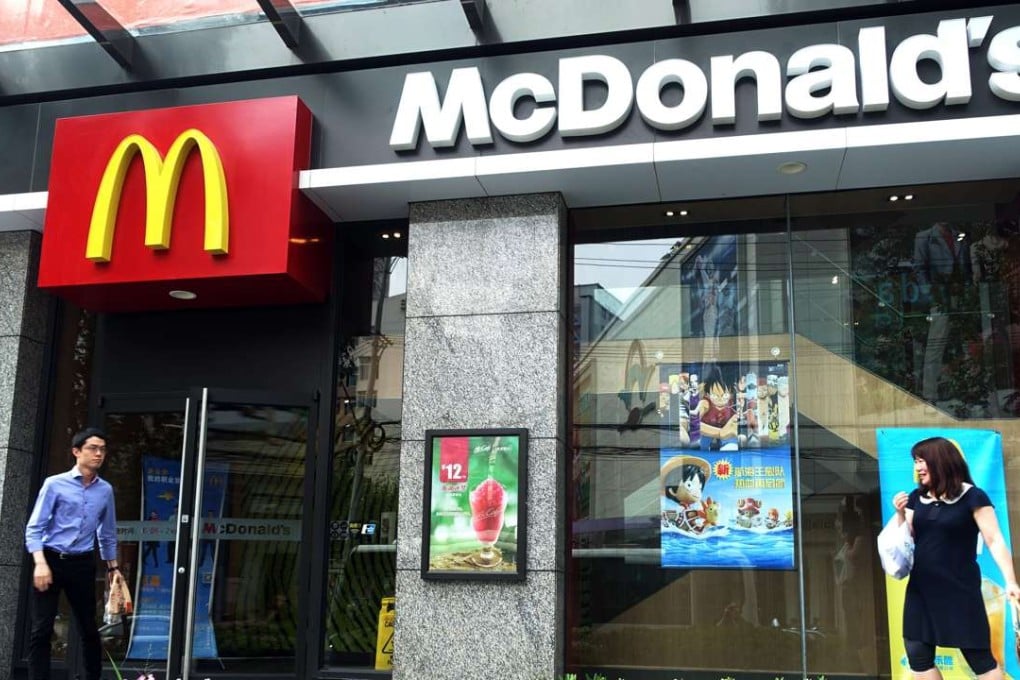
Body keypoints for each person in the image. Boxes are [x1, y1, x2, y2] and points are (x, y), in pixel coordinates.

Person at [891, 437, 1019, 680]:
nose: (917, 467)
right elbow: (906, 538)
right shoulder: (916, 498)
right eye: (915, 461)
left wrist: (1011, 581)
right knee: (917, 653)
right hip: (921, 589)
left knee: (980, 658)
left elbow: (994, 540)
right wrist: (899, 514)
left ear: (940, 461)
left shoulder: (973, 497)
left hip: (959, 589)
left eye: (921, 460)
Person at [24, 427, 119, 680]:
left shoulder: (105, 490)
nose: (99, 454)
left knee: (89, 628)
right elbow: (34, 528)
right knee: (42, 629)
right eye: (93, 448)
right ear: (77, 452)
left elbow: (107, 532)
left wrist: (113, 568)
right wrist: (40, 563)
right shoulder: (54, 484)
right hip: (51, 559)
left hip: (82, 563)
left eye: (102, 449)